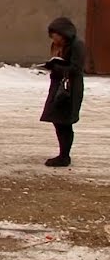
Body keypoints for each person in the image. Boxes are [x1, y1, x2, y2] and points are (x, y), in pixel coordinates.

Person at [40, 17, 85, 167]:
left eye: (55, 35)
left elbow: (76, 69)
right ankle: (63, 154)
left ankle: (64, 156)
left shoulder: (76, 45)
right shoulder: (59, 45)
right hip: (59, 86)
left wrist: (56, 67)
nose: (54, 38)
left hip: (69, 89)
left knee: (64, 122)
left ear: (63, 33)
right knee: (58, 121)